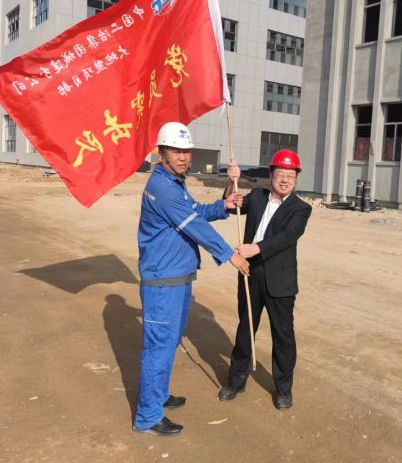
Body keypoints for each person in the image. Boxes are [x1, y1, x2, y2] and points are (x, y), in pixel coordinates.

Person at [133, 121, 250, 436]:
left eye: (186, 151)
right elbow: (195, 226)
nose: (184, 157)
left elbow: (195, 211)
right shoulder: (162, 188)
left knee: (169, 342)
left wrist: (224, 205)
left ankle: (158, 396)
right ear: (161, 153)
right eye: (176, 151)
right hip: (163, 283)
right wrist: (230, 255)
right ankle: (147, 416)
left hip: (178, 278)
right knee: (158, 348)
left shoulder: (174, 183)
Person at [218, 149, 312, 410]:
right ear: (271, 175)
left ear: (296, 179)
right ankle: (236, 381)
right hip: (250, 273)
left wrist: (255, 248)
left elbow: (287, 237)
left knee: (283, 336)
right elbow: (231, 204)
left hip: (280, 281)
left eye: (290, 176)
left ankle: (283, 389)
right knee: (245, 329)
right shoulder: (257, 197)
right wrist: (231, 181)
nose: (285, 180)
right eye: (280, 174)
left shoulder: (300, 208)